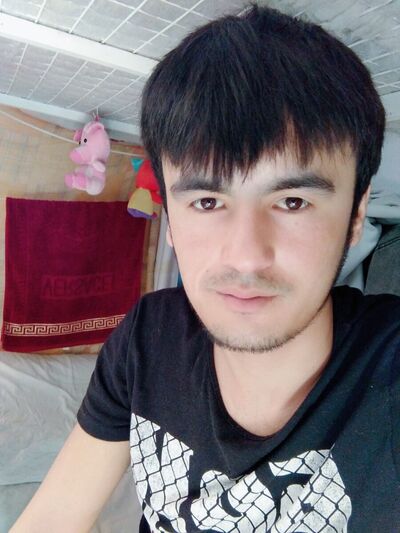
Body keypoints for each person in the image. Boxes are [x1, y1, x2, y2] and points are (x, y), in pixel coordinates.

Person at [11, 3, 400, 532]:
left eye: (292, 202)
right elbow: (54, 517)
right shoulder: (147, 337)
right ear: (170, 218)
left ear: (356, 215)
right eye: (208, 202)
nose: (246, 256)